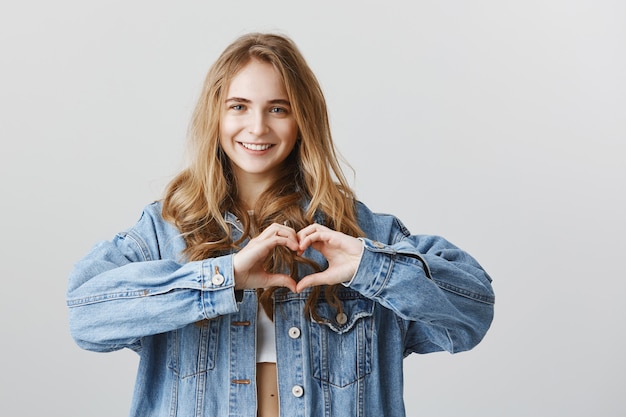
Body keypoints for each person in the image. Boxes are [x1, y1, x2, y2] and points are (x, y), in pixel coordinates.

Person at [67, 32, 495, 417]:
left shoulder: (355, 232)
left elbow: (472, 312)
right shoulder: (167, 231)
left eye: (278, 108)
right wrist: (223, 277)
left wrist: (371, 268)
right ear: (215, 115)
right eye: (239, 106)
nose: (257, 127)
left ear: (302, 120)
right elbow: (85, 317)